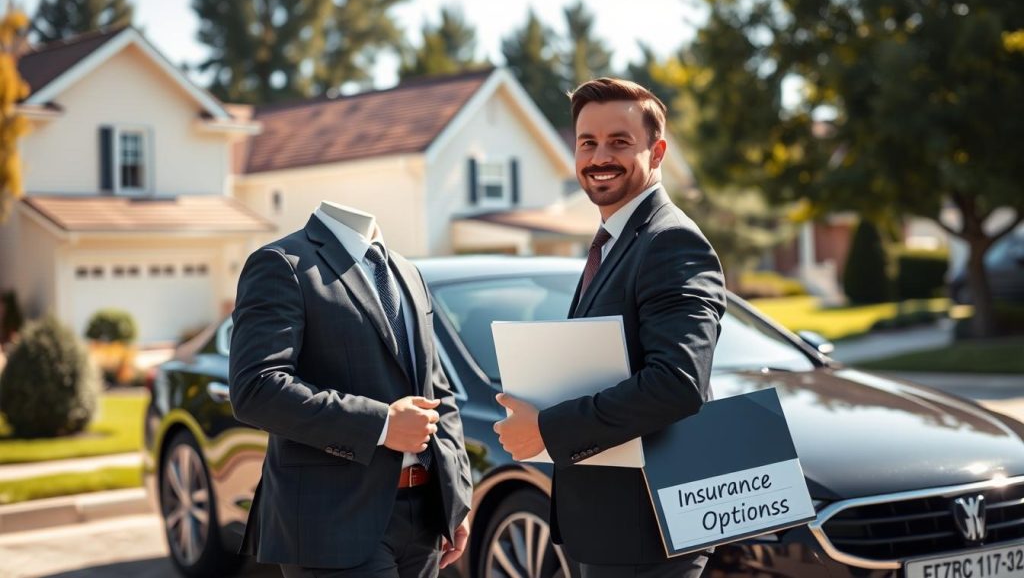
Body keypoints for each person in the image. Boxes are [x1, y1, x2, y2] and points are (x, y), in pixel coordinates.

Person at [494, 78, 727, 578]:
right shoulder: (615, 240)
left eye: (620, 142)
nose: (600, 156)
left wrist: (547, 428)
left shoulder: (671, 242)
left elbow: (676, 384)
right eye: (587, 142)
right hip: (609, 528)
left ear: (657, 151)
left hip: (650, 532)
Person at [229, 201, 473, 578]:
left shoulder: (408, 272)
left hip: (424, 520)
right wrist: (382, 425)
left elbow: (439, 393)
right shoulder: (282, 263)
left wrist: (456, 498)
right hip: (332, 524)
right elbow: (257, 388)